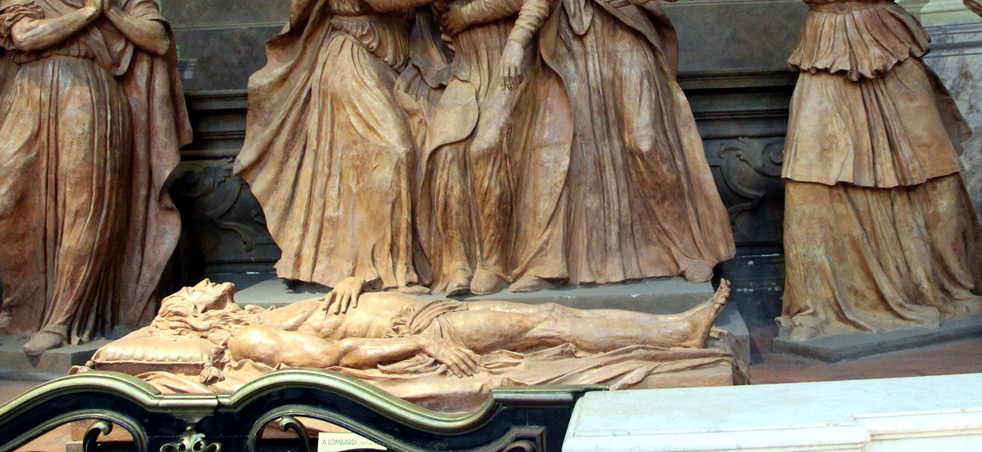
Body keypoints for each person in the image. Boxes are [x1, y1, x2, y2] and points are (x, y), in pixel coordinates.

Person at [609, 0, 982, 341]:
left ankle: (941, 287)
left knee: (929, 171)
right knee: (812, 179)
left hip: (890, 56)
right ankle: (823, 303)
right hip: (824, 58)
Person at [234, 0, 491, 296]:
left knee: (430, 144)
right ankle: (383, 271)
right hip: (352, 59)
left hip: (397, 63)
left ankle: (416, 264)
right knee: (393, 149)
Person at [485, 0, 736, 292]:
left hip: (619, 44)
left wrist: (470, 12)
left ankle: (687, 250)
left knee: (645, 140)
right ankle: (552, 262)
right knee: (560, 152)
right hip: (570, 56)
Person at [0, 0, 191, 355]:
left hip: (90, 97)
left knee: (85, 207)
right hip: (31, 97)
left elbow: (157, 38)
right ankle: (21, 306)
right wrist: (88, 14)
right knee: (7, 198)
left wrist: (111, 12)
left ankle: (63, 318)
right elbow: (24, 35)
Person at [419, 0, 565, 296]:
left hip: (506, 65)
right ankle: (456, 263)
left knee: (486, 147)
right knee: (446, 152)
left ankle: (496, 263)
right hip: (464, 68)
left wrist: (515, 41)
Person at [145, 277, 731, 378]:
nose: (205, 285)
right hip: (431, 329)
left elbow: (344, 314)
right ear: (193, 315)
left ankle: (674, 331)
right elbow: (333, 357)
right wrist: (422, 343)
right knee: (552, 322)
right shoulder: (247, 337)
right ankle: (675, 335)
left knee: (551, 323)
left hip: (429, 313)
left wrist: (353, 282)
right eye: (194, 291)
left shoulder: (260, 314)